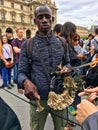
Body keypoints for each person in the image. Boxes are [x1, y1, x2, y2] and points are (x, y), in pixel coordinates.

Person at [18, 4, 71, 130]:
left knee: (61, 127)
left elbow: (68, 63)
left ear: (52, 20)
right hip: (38, 99)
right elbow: (21, 72)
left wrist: (68, 69)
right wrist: (25, 82)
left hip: (60, 96)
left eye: (47, 17)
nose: (44, 20)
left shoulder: (62, 42)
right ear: (35, 21)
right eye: (40, 17)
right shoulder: (28, 44)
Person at [11, 27, 26, 93]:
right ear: (17, 33)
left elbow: (29, 49)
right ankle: (19, 88)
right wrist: (24, 50)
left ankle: (25, 86)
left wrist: (21, 50)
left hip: (25, 61)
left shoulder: (25, 40)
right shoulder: (14, 41)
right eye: (20, 32)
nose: (22, 33)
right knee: (19, 75)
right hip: (18, 61)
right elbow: (16, 50)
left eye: (22, 32)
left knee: (25, 74)